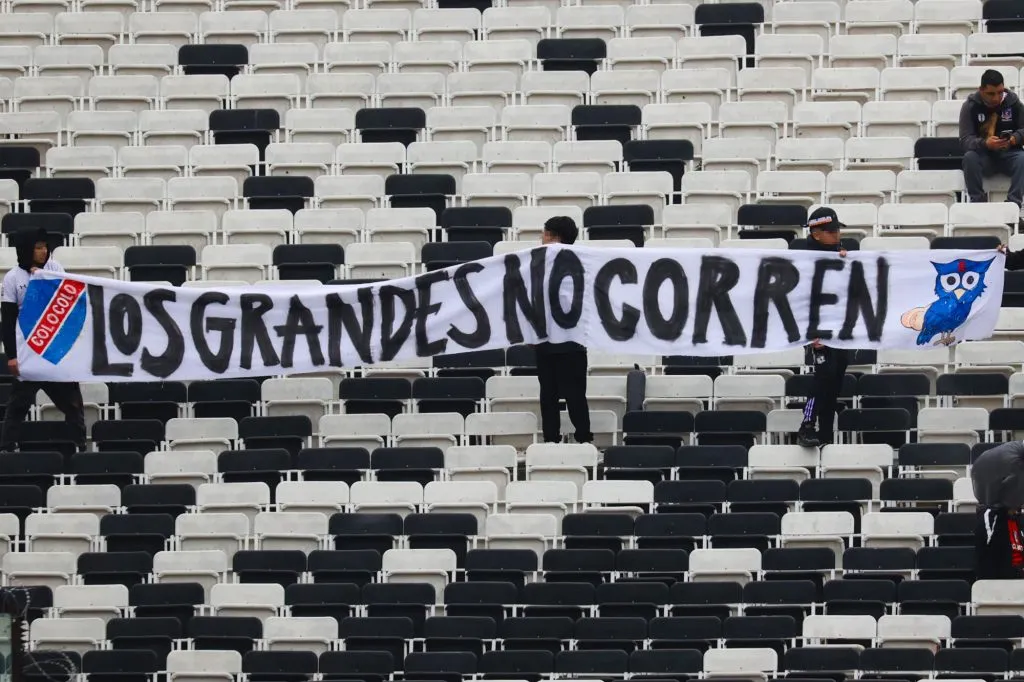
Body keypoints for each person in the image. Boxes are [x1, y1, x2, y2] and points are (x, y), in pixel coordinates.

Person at [0, 227, 86, 452]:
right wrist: (12, 356)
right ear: (26, 250)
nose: (43, 251)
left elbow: (67, 304)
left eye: (45, 247)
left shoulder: (55, 269)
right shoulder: (12, 278)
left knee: (72, 403)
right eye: (38, 248)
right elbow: (8, 320)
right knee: (18, 404)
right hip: (27, 351)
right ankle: (7, 447)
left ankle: (78, 445)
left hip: (53, 349)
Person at [536, 216, 592, 444]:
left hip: (564, 342)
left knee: (562, 396)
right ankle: (572, 440)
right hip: (561, 342)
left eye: (544, 233)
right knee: (565, 395)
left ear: (552, 236)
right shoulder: (581, 263)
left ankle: (569, 440)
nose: (541, 238)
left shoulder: (539, 263)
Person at [797, 207, 850, 448]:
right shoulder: (801, 258)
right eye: (832, 231)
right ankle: (807, 424)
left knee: (836, 381)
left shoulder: (844, 253)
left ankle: (826, 434)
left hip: (841, 328)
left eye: (838, 229)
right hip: (818, 327)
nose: (837, 234)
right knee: (824, 376)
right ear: (816, 233)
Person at [960, 69, 1024, 215]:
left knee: (1023, 158)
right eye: (991, 93)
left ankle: (1013, 206)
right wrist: (985, 143)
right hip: (984, 156)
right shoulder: (970, 106)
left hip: (1010, 153)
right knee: (969, 157)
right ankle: (978, 203)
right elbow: (965, 141)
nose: (996, 98)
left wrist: (1015, 138)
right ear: (981, 90)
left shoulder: (1014, 103)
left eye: (1000, 92)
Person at [971, 440, 1024, 579]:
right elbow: (984, 562)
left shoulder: (1017, 519)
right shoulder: (990, 518)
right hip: (995, 590)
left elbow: (1017, 558)